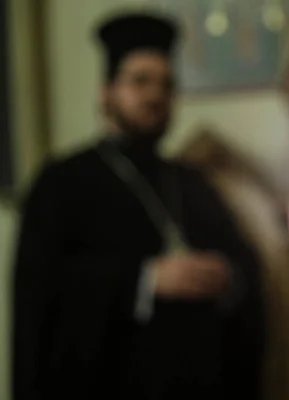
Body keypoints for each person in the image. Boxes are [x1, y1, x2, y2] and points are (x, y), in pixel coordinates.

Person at [11, 13, 264, 400]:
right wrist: (144, 281)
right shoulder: (61, 182)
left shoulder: (190, 181)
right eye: (140, 80)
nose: (155, 95)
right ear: (106, 92)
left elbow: (245, 261)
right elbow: (43, 294)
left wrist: (225, 274)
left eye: (166, 84)